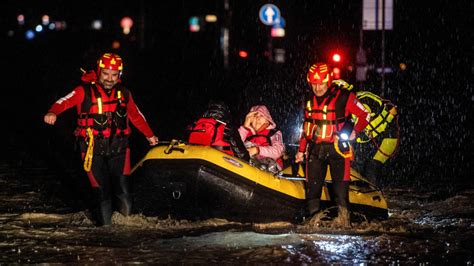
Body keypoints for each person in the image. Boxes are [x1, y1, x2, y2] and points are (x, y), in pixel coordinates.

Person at [44, 53, 159, 226]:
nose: (109, 79)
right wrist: (53, 112)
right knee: (102, 193)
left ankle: (127, 231)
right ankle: (106, 233)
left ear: (119, 75)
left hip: (119, 149)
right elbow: (63, 102)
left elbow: (136, 116)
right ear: (99, 72)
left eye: (114, 75)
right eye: (105, 74)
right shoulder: (83, 91)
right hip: (91, 150)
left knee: (124, 192)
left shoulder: (125, 93)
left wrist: (149, 135)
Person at [295, 62, 370, 227]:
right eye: (314, 84)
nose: (317, 87)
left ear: (328, 80)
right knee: (312, 191)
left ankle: (344, 223)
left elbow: (365, 114)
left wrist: (354, 131)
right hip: (315, 149)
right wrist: (301, 150)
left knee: (340, 192)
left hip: (338, 150)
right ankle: (313, 225)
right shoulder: (308, 99)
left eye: (321, 83)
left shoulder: (344, 96)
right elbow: (306, 128)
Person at [352, 90, 399, 186]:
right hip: (375, 136)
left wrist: (353, 136)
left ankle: (372, 195)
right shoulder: (354, 99)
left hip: (387, 138)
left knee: (371, 167)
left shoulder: (363, 102)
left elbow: (365, 131)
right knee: (358, 165)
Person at [238, 105, 285, 173]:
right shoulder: (247, 132)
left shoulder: (273, 133)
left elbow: (278, 151)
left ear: (267, 120)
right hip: (249, 165)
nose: (258, 118)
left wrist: (258, 150)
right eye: (255, 116)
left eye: (261, 116)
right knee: (244, 147)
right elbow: (235, 144)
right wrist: (245, 127)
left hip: (270, 167)